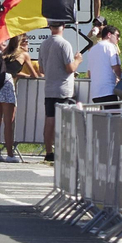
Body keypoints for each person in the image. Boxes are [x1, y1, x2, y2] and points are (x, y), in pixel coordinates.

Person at [39, 27, 78, 161]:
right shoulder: (64, 44)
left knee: (49, 119)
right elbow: (70, 68)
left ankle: (49, 152)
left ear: (50, 27)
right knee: (63, 122)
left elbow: (41, 69)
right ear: (64, 27)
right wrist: (77, 60)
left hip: (49, 87)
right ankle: (62, 150)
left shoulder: (44, 44)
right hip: (63, 88)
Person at [83, 24, 122, 105]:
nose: (119, 39)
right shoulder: (111, 47)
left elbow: (89, 73)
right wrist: (121, 80)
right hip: (108, 91)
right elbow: (116, 68)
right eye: (117, 35)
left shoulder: (92, 49)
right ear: (109, 35)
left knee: (103, 117)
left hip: (95, 94)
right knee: (114, 116)